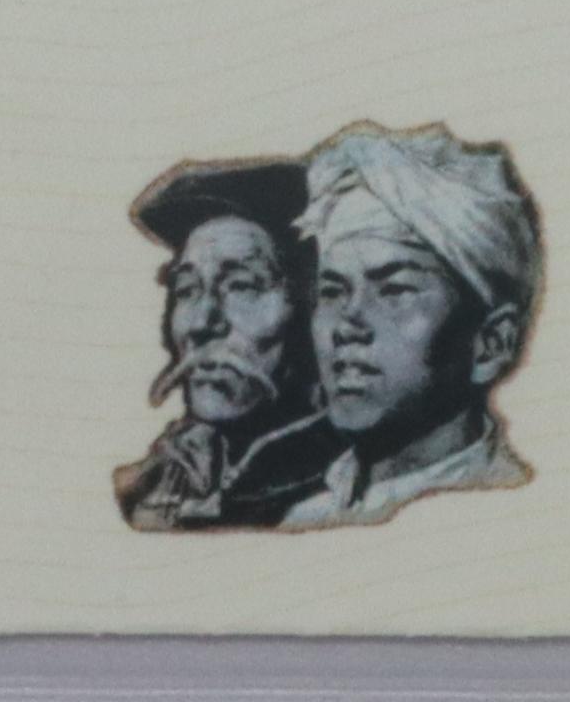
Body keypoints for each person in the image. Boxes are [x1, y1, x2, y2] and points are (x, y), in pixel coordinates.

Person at [274, 122, 542, 530]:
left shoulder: (503, 511)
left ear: (491, 343)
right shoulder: (307, 518)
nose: (347, 324)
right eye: (332, 291)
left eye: (394, 290)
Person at [112, 157, 325, 529]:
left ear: (310, 305)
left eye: (241, 285)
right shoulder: (158, 478)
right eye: (187, 289)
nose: (200, 324)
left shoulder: (340, 481)